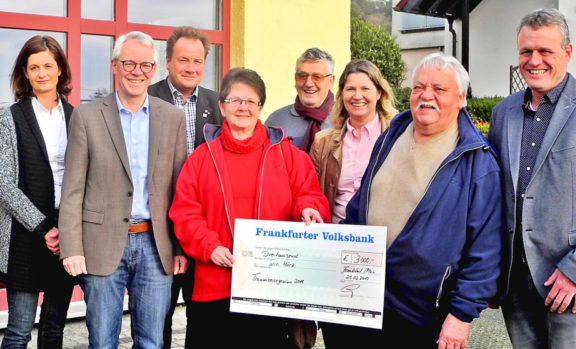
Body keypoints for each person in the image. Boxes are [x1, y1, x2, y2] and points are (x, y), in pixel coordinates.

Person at [342, 53, 503, 349]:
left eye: (439, 89)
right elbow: (359, 207)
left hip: (421, 315)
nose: (426, 96)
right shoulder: (391, 135)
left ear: (461, 98)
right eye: (418, 87)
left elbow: (486, 249)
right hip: (362, 298)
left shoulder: (478, 161)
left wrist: (461, 315)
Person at [488, 9, 576, 349]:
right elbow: (495, 197)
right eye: (526, 51)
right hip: (516, 282)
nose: (534, 60)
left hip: (575, 283)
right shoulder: (502, 114)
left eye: (545, 51)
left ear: (567, 52)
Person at [169, 67, 330, 348]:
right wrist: (210, 247)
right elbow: (185, 213)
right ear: (222, 106)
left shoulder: (288, 155)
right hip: (215, 283)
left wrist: (308, 208)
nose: (242, 107)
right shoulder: (200, 159)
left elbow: (310, 194)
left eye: (250, 101)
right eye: (234, 100)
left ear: (261, 107)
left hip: (269, 285)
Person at [58, 31, 188, 349]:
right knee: (102, 341)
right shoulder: (87, 117)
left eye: (145, 65)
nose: (137, 71)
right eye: (129, 63)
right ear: (115, 65)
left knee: (152, 342)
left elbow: (181, 190)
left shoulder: (172, 118)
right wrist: (72, 247)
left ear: (155, 70)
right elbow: (72, 188)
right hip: (101, 244)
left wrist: (181, 246)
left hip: (156, 246)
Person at [309, 59, 396, 348]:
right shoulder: (324, 141)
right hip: (337, 250)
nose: (357, 95)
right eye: (350, 89)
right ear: (341, 94)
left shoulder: (398, 136)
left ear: (379, 93)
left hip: (385, 251)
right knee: (340, 333)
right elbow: (313, 193)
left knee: (382, 333)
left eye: (365, 88)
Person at [147, 25, 223, 349]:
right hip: (157, 229)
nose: (191, 68)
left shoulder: (216, 103)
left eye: (197, 61)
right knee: (156, 319)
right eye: (183, 60)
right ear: (167, 61)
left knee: (201, 318)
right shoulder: (148, 99)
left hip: (201, 228)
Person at [0, 35, 76, 349]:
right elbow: (4, 184)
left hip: (67, 236)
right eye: (34, 67)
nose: (41, 73)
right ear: (25, 73)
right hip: (24, 238)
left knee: (55, 329)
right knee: (18, 331)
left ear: (60, 70)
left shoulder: (78, 117)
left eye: (48, 65)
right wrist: (44, 228)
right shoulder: (9, 118)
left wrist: (64, 229)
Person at [265, 48, 335, 152]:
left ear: (331, 81)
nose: (308, 83)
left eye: (317, 77)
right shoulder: (275, 121)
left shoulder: (346, 120)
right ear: (295, 79)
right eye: (302, 76)